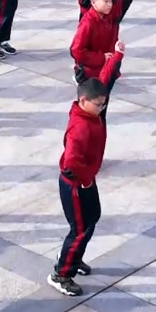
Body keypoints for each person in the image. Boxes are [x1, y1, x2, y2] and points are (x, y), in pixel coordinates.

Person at [49, 76, 111, 297]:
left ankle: (73, 258)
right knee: (79, 229)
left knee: (93, 217)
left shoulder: (87, 113)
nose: (102, 108)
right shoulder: (81, 126)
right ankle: (61, 274)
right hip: (75, 183)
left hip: (85, 179)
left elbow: (106, 77)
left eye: (103, 104)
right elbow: (72, 161)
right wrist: (85, 179)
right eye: (98, 104)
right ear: (83, 100)